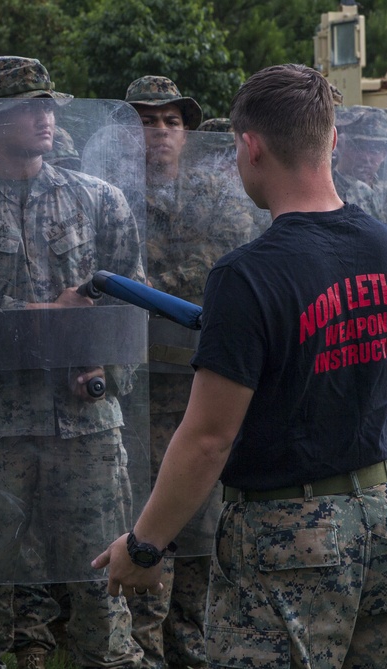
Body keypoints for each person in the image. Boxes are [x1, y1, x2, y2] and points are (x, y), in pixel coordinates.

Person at [93, 63, 387, 669]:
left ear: (249, 146)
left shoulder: (247, 275)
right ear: (331, 140)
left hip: (290, 537)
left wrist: (143, 546)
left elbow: (207, 439)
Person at [0, 56, 146, 669]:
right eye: (29, 106)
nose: (45, 116)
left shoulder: (99, 201)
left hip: (85, 423)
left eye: (49, 104)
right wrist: (60, 314)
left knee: (103, 585)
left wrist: (100, 364)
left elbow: (131, 308)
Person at [123, 75, 254, 669]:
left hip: (207, 388)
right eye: (148, 121)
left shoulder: (220, 198)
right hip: (138, 392)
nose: (161, 132)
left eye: (172, 121)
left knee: (204, 526)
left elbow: (239, 286)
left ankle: (193, 648)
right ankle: (143, 651)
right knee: (149, 520)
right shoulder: (111, 197)